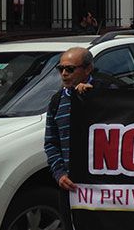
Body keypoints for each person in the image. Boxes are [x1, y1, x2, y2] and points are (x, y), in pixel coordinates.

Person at [44, 47, 100, 229]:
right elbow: (51, 142)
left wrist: (94, 97)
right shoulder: (57, 101)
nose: (64, 74)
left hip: (103, 186)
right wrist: (59, 173)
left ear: (88, 69)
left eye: (70, 69)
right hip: (71, 187)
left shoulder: (107, 93)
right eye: (61, 69)